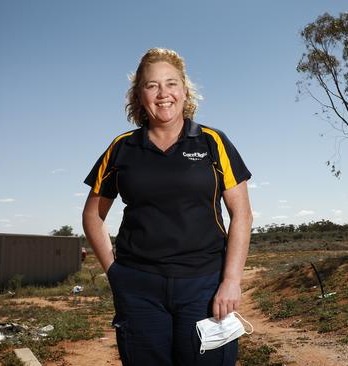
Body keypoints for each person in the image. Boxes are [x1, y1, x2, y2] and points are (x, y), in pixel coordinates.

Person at [82, 48, 252, 365]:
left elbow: (241, 214)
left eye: (171, 83)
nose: (163, 94)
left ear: (184, 90)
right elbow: (93, 215)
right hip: (138, 288)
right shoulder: (121, 148)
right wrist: (114, 272)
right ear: (139, 95)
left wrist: (231, 280)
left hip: (204, 286)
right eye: (152, 85)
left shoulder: (213, 142)